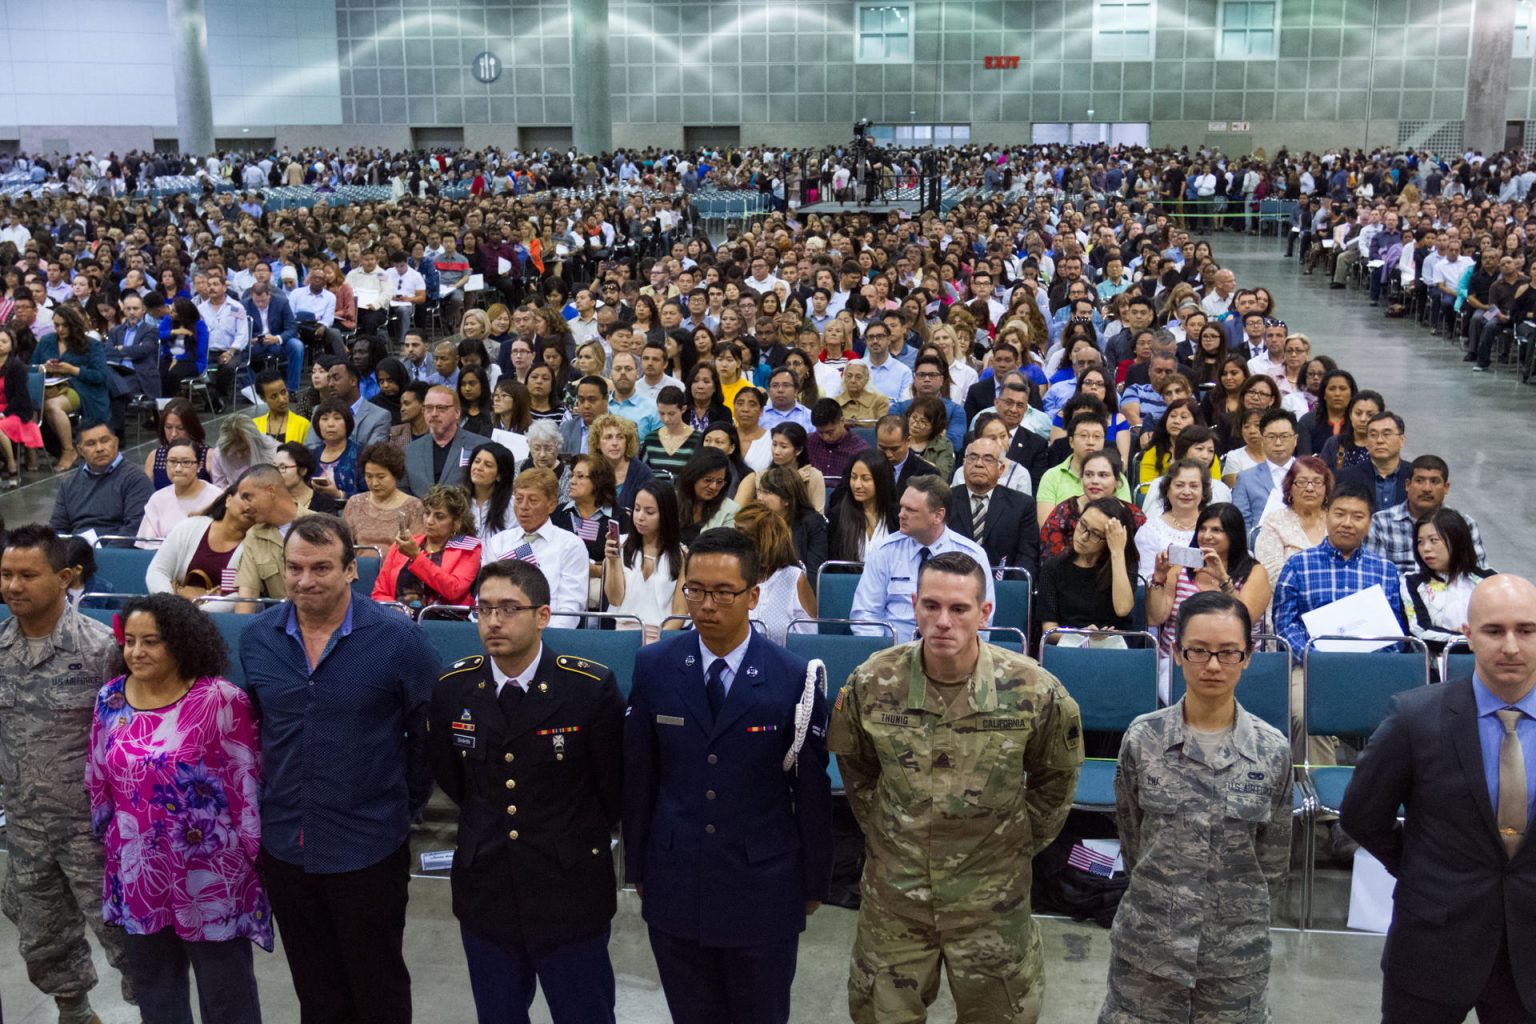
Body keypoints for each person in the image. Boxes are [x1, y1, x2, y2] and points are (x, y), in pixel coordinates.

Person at [830, 550, 1082, 1024]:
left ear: (985, 612)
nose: (942, 621)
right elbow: (856, 770)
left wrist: (1012, 844)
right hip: (896, 900)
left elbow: (1056, 781)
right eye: (930, 605)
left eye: (959, 608)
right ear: (913, 605)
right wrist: (892, 832)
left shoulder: (1032, 690)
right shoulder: (873, 682)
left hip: (992, 902)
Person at [623, 527, 832, 1024]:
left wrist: (813, 883)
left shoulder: (794, 677)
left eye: (722, 592)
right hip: (676, 882)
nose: (705, 605)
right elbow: (639, 778)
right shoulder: (655, 666)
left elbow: (812, 791)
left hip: (764, 887)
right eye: (695, 590)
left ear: (753, 595)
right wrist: (637, 870)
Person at [238, 514, 440, 1024]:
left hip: (367, 847)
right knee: (316, 990)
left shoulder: (397, 641)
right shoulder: (258, 638)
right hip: (286, 845)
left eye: (322, 567)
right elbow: (256, 733)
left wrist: (399, 806)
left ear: (352, 569)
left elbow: (429, 737)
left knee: (378, 988)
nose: (305, 581)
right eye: (295, 568)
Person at [426, 557, 625, 1024]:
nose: (494, 621)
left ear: (542, 615)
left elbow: (613, 788)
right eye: (484, 608)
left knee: (585, 1014)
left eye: (509, 608)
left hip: (569, 887)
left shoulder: (587, 688)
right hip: (486, 887)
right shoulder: (454, 687)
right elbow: (452, 777)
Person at [1340, 574, 1536, 1024]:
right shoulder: (1415, 718)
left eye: (1526, 630)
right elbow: (1362, 814)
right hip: (1433, 944)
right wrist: (1424, 866)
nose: (1511, 646)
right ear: (1467, 635)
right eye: (1494, 631)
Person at [1099, 591, 1292, 1024]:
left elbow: (1274, 862)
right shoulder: (1142, 739)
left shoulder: (1272, 751)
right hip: (1148, 953)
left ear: (1249, 656)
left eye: (1228, 653)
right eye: (1199, 651)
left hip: (1233, 962)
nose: (1212, 665)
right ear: (1176, 652)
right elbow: (1133, 837)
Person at [86, 594, 270, 1024]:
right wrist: (112, 859)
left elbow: (248, 783)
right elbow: (98, 781)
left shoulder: (220, 700)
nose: (136, 652)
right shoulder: (110, 699)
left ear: (181, 643)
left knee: (227, 991)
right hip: (138, 875)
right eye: (129, 641)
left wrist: (256, 860)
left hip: (210, 875)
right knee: (155, 988)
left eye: (150, 641)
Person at [0, 525, 133, 1024]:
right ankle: (74, 1013)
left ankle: (159, 1009)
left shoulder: (101, 650)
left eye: (27, 575)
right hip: (27, 827)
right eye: (6, 574)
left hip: (92, 829)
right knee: (42, 935)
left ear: (63, 578)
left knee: (126, 937)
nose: (14, 586)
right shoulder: (0, 651)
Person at [1272, 481, 1406, 764]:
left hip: (1371, 668)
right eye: (1339, 514)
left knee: (1404, 716)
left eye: (1358, 517)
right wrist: (1320, 660)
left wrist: (1365, 662)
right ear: (1327, 515)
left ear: (1369, 522)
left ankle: (1376, 798)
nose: (1347, 523)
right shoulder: (1299, 564)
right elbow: (1285, 624)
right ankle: (1318, 799)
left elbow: (1395, 632)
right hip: (1309, 667)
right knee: (1307, 715)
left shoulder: (1385, 570)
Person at [850, 475, 995, 642]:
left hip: (952, 653)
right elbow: (865, 614)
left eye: (910, 510)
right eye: (901, 507)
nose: (901, 515)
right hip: (893, 654)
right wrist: (883, 656)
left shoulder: (973, 555)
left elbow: (981, 621)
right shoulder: (884, 550)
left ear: (938, 516)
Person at [1147, 502, 1272, 659]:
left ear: (1234, 535)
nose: (1206, 536)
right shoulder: (1180, 568)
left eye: (1216, 530)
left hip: (1232, 661)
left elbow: (1246, 620)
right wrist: (1159, 578)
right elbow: (1155, 618)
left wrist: (1223, 580)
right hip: (1176, 660)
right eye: (1202, 529)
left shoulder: (1255, 572)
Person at [485, 468, 592, 628]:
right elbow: (486, 595)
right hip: (500, 630)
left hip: (548, 633)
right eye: (519, 499)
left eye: (533, 500)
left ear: (551, 505)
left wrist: (539, 638)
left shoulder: (571, 545)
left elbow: (570, 609)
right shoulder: (498, 542)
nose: (523, 507)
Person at [1366, 453, 1488, 575]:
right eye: (1419, 481)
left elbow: (1476, 574)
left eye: (1435, 481)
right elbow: (1374, 573)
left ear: (1446, 488)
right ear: (1407, 485)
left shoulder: (1465, 524)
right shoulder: (1380, 522)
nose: (1427, 488)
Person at [1401, 507, 1498, 657]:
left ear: (1457, 540)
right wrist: (1468, 639)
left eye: (1434, 540)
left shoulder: (1490, 579)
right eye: (1420, 542)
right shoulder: (1412, 582)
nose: (1425, 548)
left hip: (1491, 660)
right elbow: (1421, 630)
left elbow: (1506, 624)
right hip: (1436, 667)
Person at [1037, 497, 1140, 636]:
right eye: (1082, 525)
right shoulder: (1054, 567)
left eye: (1095, 534)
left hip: (1114, 646)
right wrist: (1081, 634)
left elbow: (1122, 609)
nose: (1083, 537)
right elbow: (1049, 630)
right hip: (1070, 646)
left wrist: (1117, 552)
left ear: (1109, 540)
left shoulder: (1122, 562)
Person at [373, 484, 482, 610]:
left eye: (439, 516)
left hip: (443, 622)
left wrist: (416, 556)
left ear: (456, 523)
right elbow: (379, 593)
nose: (429, 521)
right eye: (427, 513)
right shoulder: (404, 544)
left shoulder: (468, 547)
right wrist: (395, 609)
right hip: (400, 620)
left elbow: (453, 590)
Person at [604, 479, 686, 639]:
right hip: (622, 634)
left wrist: (659, 641)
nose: (640, 517)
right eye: (636, 509)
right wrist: (612, 561)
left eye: (649, 512)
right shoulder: (619, 545)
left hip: (662, 636)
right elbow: (614, 600)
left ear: (666, 514)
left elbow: (679, 614)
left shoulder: (681, 555)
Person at [947, 435, 1040, 576]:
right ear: (964, 463)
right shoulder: (944, 499)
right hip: (950, 580)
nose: (978, 464)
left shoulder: (1022, 505)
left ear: (1001, 469)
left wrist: (1012, 590)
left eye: (988, 459)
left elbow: (1027, 556)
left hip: (1002, 585)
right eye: (972, 457)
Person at [35, 304, 110, 473]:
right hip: (50, 387)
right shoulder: (46, 341)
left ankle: (68, 451)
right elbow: (33, 367)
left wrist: (71, 369)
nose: (60, 329)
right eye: (56, 325)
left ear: (73, 325)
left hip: (82, 387)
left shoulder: (91, 345)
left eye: (64, 325)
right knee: (43, 403)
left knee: (52, 406)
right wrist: (44, 367)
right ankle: (63, 449)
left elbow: (100, 376)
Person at [49, 421, 155, 536]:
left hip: (114, 550)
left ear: (116, 442)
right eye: (91, 444)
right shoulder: (68, 484)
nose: (99, 448)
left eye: (104, 441)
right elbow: (57, 528)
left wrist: (104, 552)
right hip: (77, 549)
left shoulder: (136, 479)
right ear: (80, 451)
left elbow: (136, 527)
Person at [731, 502, 817, 644]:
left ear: (763, 541)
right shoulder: (727, 574)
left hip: (780, 664)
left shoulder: (794, 578)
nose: (733, 540)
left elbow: (808, 644)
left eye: (741, 534)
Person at [146, 482, 250, 599]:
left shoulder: (254, 546)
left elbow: (236, 598)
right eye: (245, 497)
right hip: (173, 610)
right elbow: (157, 571)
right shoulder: (190, 527)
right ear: (228, 500)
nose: (249, 506)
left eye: (256, 502)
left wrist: (195, 610)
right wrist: (173, 605)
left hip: (217, 615)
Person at [1254, 456, 1333, 582]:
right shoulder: (1275, 522)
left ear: (1326, 488)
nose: (1310, 488)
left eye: (1317, 482)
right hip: (1289, 596)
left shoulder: (1336, 520)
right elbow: (1271, 574)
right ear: (1289, 487)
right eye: (1301, 482)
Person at [405, 385, 491, 496]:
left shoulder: (481, 446)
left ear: (457, 413)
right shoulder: (410, 450)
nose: (434, 414)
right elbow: (403, 492)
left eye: (441, 408)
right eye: (429, 408)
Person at [1134, 458, 1210, 583]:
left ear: (1203, 492)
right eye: (1179, 485)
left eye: (1194, 486)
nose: (1186, 492)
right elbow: (1144, 581)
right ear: (1167, 490)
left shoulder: (1216, 528)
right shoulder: (1151, 530)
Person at [233, 465, 300, 601]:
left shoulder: (322, 525)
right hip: (283, 618)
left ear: (270, 491)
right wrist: (242, 622)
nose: (245, 507)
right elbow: (248, 595)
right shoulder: (254, 535)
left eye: (248, 497)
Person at [343, 442, 426, 551]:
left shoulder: (414, 507)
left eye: (381, 477)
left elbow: (416, 550)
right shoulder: (355, 503)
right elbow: (344, 545)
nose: (374, 483)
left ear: (395, 474)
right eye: (369, 476)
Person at [755, 464, 828, 585]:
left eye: (767, 492)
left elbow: (814, 572)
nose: (760, 498)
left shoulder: (813, 523)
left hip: (799, 589)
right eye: (760, 491)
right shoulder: (757, 521)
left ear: (787, 499)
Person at [137, 438, 219, 541]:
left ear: (199, 466)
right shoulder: (158, 499)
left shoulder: (217, 497)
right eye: (172, 461)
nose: (178, 469)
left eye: (186, 462)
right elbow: (147, 543)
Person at [1231, 409, 1300, 531]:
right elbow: (1241, 524)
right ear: (1262, 440)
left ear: (1295, 439)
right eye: (1271, 437)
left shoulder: (1311, 474)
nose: (1278, 443)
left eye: (1284, 436)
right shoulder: (1246, 478)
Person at [827, 449, 900, 563]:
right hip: (850, 579)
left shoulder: (898, 516)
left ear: (881, 480)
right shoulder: (837, 515)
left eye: (865, 479)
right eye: (854, 477)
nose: (857, 485)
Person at [0, 326, 44, 483]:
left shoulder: (17, 366)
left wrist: (4, 413)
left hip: (16, 411)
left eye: (3, 341)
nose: (0, 344)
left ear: (12, 345)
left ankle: (11, 464)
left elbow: (20, 396)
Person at [676, 447, 740, 544]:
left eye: (719, 482)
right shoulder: (672, 499)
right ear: (692, 477)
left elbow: (725, 547)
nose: (713, 487)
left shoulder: (731, 510)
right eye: (707, 480)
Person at [307, 398, 363, 501]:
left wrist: (338, 495)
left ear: (347, 423)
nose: (330, 424)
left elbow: (368, 495)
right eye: (324, 419)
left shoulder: (361, 454)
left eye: (337, 418)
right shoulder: (310, 456)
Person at [273, 441, 344, 516]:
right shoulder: (271, 500)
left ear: (303, 470)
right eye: (274, 467)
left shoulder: (324, 504)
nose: (276, 472)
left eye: (283, 467)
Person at [252, 369, 311, 444]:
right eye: (274, 396)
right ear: (263, 398)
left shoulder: (303, 425)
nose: (281, 400)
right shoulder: (254, 425)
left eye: (283, 392)